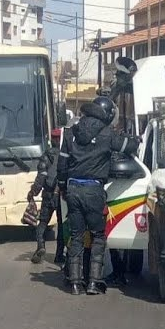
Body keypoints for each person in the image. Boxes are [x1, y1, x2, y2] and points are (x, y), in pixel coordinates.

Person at [56, 95, 138, 295]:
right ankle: (94, 282)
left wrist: (63, 187)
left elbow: (62, 165)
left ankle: (75, 283)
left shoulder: (70, 133)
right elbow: (130, 147)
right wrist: (132, 139)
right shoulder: (107, 133)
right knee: (98, 236)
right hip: (94, 190)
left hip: (73, 188)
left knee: (76, 236)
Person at [27, 128, 64, 265]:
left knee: (42, 223)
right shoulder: (67, 156)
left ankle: (41, 247)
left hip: (48, 194)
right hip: (61, 195)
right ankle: (59, 255)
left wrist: (33, 192)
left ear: (52, 140)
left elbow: (41, 177)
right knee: (61, 226)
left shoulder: (46, 156)